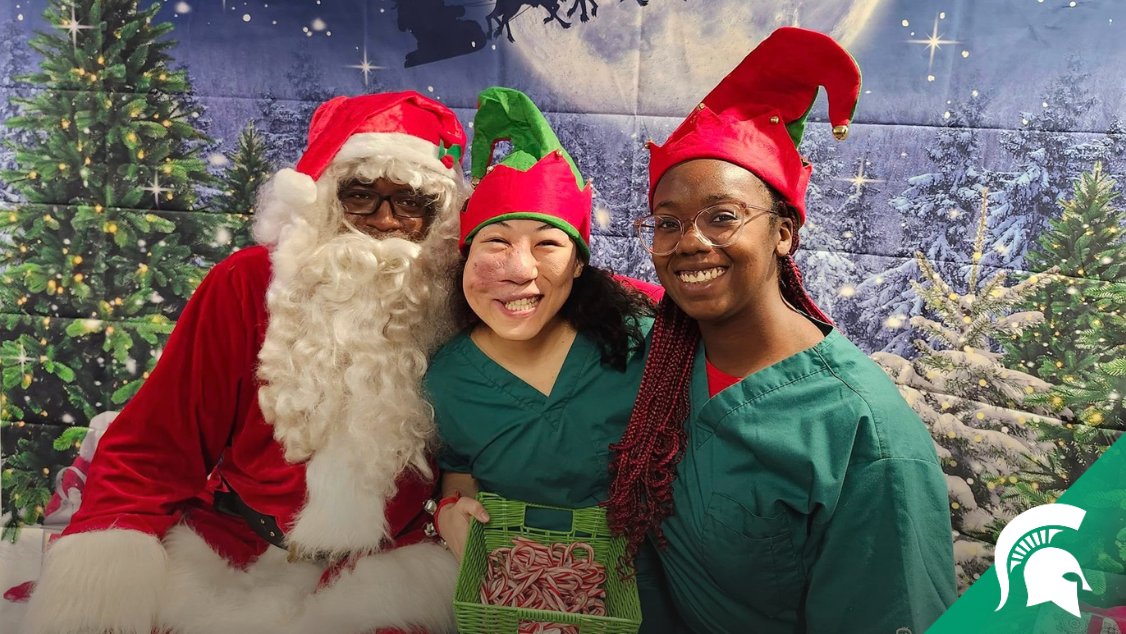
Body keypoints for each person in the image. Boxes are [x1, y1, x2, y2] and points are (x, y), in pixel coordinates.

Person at [18, 91, 470, 634]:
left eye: (412, 201)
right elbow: (159, 440)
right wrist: (104, 572)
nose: (385, 220)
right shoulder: (249, 282)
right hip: (235, 549)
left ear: (438, 217)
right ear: (325, 199)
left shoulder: (458, 297)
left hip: (389, 566)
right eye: (361, 196)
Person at [605, 28, 958, 634]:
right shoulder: (667, 361)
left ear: (784, 231)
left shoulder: (863, 436)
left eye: (723, 217)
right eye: (668, 223)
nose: (690, 241)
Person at [425, 87, 682, 633]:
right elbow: (459, 473)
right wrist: (453, 513)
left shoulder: (643, 341)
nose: (520, 270)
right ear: (464, 257)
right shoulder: (447, 378)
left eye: (548, 244)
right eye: (495, 241)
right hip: (518, 602)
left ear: (579, 265)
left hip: (651, 595)